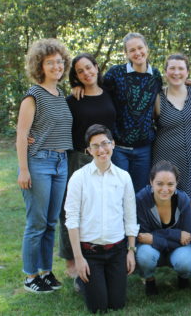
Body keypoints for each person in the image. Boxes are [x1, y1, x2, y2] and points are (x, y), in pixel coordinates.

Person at [73, 32, 162, 193]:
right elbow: (96, 89)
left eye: (140, 48)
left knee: (141, 194)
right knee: (118, 192)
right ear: (126, 54)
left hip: (144, 148)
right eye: (132, 50)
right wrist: (78, 86)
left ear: (147, 48)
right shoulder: (116, 73)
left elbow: (162, 96)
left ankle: (137, 220)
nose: (137, 53)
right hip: (119, 148)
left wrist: (187, 83)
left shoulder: (155, 76)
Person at [17, 38, 72, 293]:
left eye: (59, 62)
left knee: (51, 222)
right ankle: (30, 276)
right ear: (40, 65)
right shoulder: (33, 95)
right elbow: (21, 136)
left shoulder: (61, 95)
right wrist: (24, 169)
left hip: (61, 163)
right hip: (38, 163)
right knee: (36, 222)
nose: (56, 66)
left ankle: (46, 272)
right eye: (50, 63)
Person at [65, 124, 138, 313]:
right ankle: (85, 280)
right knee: (99, 307)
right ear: (89, 150)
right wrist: (78, 258)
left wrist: (130, 251)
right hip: (90, 252)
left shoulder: (124, 177)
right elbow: (71, 220)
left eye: (105, 143)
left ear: (113, 144)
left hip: (116, 251)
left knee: (117, 304)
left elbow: (130, 217)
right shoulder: (78, 178)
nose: (101, 150)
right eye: (95, 146)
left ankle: (102, 280)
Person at [58, 53, 116, 278]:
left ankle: (103, 257)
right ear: (76, 76)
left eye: (89, 68)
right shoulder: (73, 100)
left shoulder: (110, 93)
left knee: (103, 208)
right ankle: (72, 261)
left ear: (97, 67)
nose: (86, 73)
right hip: (80, 159)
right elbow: (58, 125)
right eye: (80, 71)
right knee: (72, 210)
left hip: (108, 158)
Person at [152, 54, 191, 242]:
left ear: (187, 72)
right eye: (172, 68)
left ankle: (190, 250)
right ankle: (166, 249)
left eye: (181, 68)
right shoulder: (158, 98)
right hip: (166, 164)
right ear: (166, 72)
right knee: (167, 208)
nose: (176, 72)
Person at [135, 160, 191, 295]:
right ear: (151, 182)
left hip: (174, 247)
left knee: (185, 261)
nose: (165, 189)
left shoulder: (183, 199)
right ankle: (149, 279)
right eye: (159, 184)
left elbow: (186, 237)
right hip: (154, 248)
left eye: (170, 184)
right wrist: (176, 235)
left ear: (176, 183)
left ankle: (183, 277)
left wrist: (154, 238)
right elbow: (142, 236)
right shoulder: (141, 199)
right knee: (145, 254)